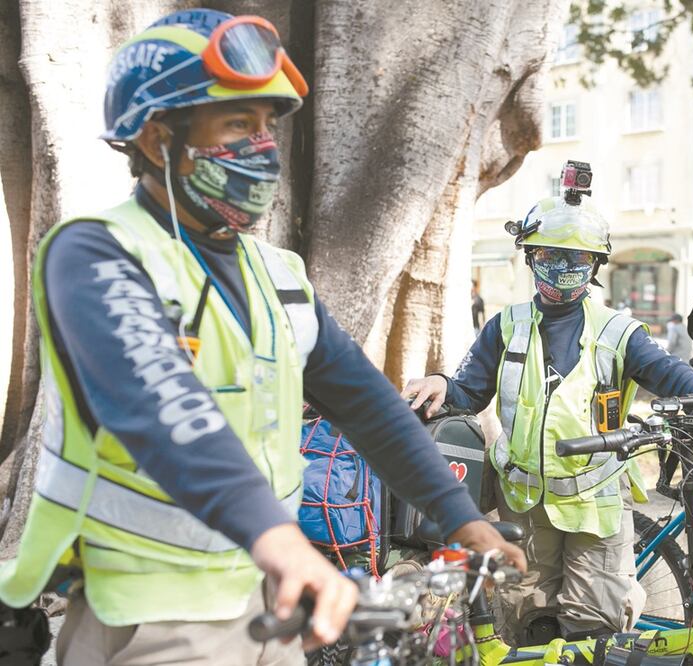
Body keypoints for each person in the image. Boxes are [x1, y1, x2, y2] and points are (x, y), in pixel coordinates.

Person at [0, 10, 522, 665]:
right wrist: (284, 545)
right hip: (154, 614)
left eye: (268, 126)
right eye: (237, 125)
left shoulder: (279, 275)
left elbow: (364, 402)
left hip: (263, 597)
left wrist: (462, 519)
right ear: (160, 140)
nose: (264, 148)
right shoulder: (96, 254)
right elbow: (163, 409)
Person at [402, 188, 693, 644]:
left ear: (595, 265)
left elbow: (673, 375)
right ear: (530, 257)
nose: (561, 269)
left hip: (595, 506)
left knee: (592, 628)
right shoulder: (506, 325)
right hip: (523, 506)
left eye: (575, 259)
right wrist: (441, 383)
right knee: (528, 623)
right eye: (549, 255)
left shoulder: (619, 332)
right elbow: (468, 390)